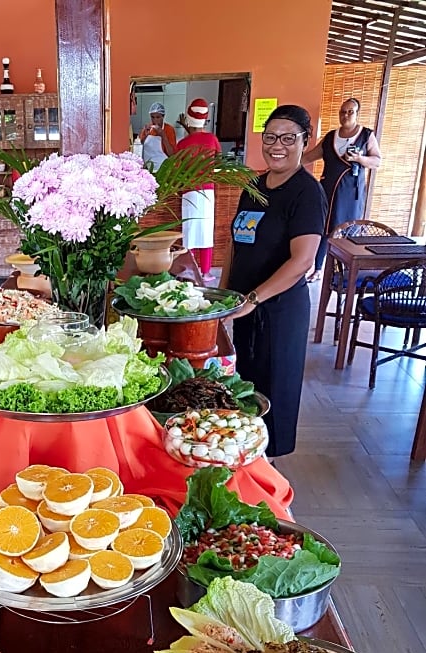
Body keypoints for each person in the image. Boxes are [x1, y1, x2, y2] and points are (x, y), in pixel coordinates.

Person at [220, 104, 327, 458]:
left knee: (275, 391)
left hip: (280, 310)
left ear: (304, 141)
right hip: (246, 305)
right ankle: (251, 458)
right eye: (270, 137)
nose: (276, 145)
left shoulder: (306, 192)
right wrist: (223, 297)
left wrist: (253, 298)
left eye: (287, 138)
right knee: (248, 386)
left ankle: (274, 477)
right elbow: (236, 244)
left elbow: (303, 260)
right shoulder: (254, 184)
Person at [302, 97, 381, 278]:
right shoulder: (331, 137)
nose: (345, 115)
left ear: (357, 114)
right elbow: (308, 157)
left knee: (347, 229)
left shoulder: (366, 135)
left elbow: (376, 161)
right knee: (323, 227)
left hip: (350, 192)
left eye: (350, 112)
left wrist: (359, 159)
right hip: (327, 188)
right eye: (342, 112)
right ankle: (318, 269)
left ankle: (345, 271)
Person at [176, 98, 222, 281]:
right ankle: (206, 271)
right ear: (206, 119)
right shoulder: (211, 139)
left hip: (188, 191)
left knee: (190, 230)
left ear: (188, 119)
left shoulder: (183, 143)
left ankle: (190, 269)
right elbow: (218, 160)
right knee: (205, 229)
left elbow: (176, 163)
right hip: (207, 191)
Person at [138, 103, 176, 171]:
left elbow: (172, 154)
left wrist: (163, 135)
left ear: (163, 116)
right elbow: (140, 147)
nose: (155, 120)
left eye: (158, 117)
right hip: (148, 168)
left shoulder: (169, 129)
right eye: (152, 117)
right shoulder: (147, 128)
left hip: (162, 169)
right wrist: (145, 135)